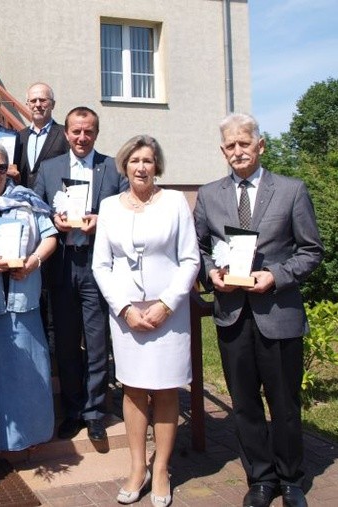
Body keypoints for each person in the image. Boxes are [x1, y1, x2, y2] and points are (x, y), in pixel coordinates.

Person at [194, 113, 323, 507]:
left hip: (278, 312)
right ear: (223, 151)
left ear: (260, 146)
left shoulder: (291, 190)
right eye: (230, 145)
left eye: (244, 143)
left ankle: (291, 480)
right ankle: (261, 479)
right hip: (232, 314)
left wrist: (277, 276)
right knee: (245, 402)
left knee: (284, 403)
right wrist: (210, 272)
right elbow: (197, 248)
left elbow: (311, 251)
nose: (237, 151)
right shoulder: (209, 194)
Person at [92, 135, 200, 507]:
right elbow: (100, 264)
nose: (141, 167)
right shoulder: (108, 206)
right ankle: (138, 467)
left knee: (167, 390)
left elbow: (190, 259)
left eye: (149, 161)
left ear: (158, 166)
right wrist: (124, 308)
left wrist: (167, 305)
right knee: (134, 389)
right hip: (127, 316)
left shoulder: (173, 202)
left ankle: (162, 469)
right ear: (124, 165)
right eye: (135, 160)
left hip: (167, 314)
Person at [33, 106, 128, 441]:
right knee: (67, 342)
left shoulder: (113, 169)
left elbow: (129, 207)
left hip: (96, 263)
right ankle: (73, 410)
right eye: (76, 131)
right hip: (61, 263)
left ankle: (97, 412)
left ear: (96, 133)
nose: (82, 137)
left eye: (88, 131)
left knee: (98, 339)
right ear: (67, 133)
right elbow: (36, 209)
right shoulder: (49, 168)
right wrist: (53, 222)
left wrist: (102, 220)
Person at [0, 140, 57, 451]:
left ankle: (29, 435)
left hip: (22, 298)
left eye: (1, 167)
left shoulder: (26, 200)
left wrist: (34, 262)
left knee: (28, 371)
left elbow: (49, 236)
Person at [18, 83, 68, 189]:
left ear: (53, 104)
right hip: (23, 201)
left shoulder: (65, 135)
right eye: (33, 101)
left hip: (52, 201)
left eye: (43, 100)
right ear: (27, 104)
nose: (37, 105)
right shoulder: (19, 137)